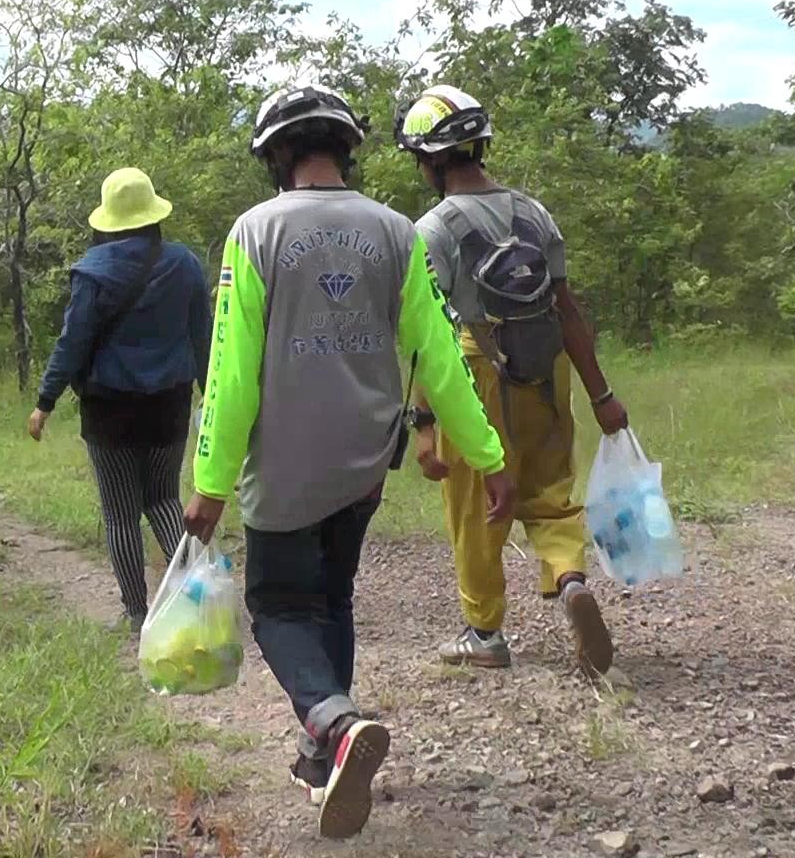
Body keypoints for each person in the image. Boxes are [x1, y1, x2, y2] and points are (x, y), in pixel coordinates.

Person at [183, 84, 514, 840]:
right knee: (331, 597)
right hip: (364, 462)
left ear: (277, 155)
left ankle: (333, 724)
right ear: (343, 148)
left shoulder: (255, 232)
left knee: (276, 607)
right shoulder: (397, 231)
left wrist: (208, 483)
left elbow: (231, 373)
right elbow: (439, 356)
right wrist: (489, 456)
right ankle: (321, 751)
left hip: (286, 463)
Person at [393, 84, 629, 678]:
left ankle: (484, 633)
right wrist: (601, 394)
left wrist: (424, 424)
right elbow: (568, 310)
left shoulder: (433, 230)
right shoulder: (534, 213)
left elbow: (429, 336)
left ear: (432, 159)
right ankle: (569, 578)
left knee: (478, 506)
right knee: (550, 489)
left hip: (476, 369)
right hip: (546, 364)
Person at [28, 167, 211, 631]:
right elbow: (204, 337)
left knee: (121, 515)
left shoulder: (93, 272)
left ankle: (136, 612)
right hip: (170, 401)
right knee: (165, 501)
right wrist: (214, 394)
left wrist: (45, 400)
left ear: (107, 221)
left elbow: (73, 342)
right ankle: (198, 596)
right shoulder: (185, 263)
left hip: (109, 408)